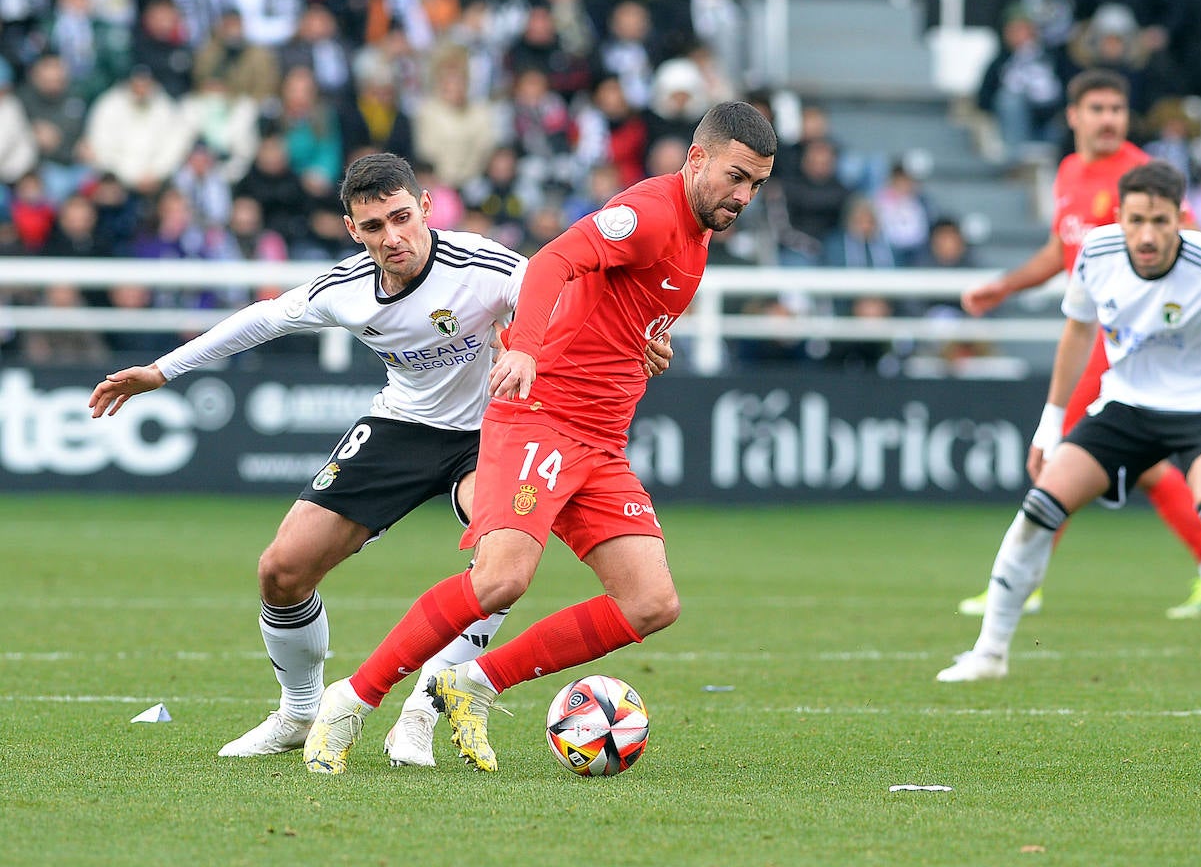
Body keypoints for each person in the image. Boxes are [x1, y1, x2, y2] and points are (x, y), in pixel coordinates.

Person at [87, 152, 675, 766]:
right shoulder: (344, 289)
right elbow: (261, 321)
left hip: (495, 430)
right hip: (402, 426)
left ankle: (424, 706)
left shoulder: (487, 267)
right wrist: (160, 370)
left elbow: (571, 300)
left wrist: (643, 338)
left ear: (426, 208)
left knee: (499, 567)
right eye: (373, 227)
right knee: (281, 570)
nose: (392, 238)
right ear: (353, 230)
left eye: (401, 218)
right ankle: (298, 711)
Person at [300, 100, 777, 775]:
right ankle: (350, 701)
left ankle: (473, 683)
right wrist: (522, 347)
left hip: (602, 443)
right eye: (735, 177)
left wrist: (649, 339)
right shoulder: (647, 213)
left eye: (755, 185)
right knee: (501, 580)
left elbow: (622, 301)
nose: (743, 196)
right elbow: (554, 261)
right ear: (697, 158)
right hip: (543, 419)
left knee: (651, 603)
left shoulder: (697, 231)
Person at [936, 161, 1201, 687]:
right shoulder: (1097, 254)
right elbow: (1077, 334)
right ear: (1120, 216)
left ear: (1179, 220)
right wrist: (1050, 423)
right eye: (1137, 219)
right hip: (1125, 403)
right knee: (1039, 507)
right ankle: (990, 653)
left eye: (1161, 221)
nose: (1147, 235)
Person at [959, 69, 1201, 621]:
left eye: (1117, 109)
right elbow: (1063, 252)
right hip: (1103, 342)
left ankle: (1018, 583)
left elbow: (1194, 246)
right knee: (1150, 468)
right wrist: (1006, 285)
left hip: (1124, 346)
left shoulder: (1140, 175)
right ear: (1073, 116)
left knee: (1057, 451)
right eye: (1098, 109)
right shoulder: (1068, 172)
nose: (1109, 119)